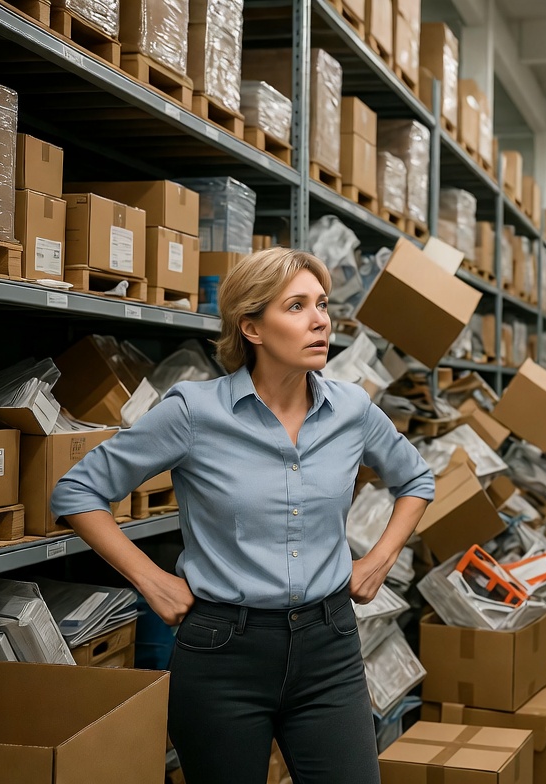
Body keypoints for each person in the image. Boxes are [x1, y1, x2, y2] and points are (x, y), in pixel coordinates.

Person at [51, 248, 435, 784]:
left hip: (329, 649)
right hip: (222, 654)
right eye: (296, 306)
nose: (320, 320)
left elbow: (416, 479)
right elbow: (77, 491)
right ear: (251, 327)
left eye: (322, 304)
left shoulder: (352, 409)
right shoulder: (194, 412)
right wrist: (151, 581)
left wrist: (379, 559)